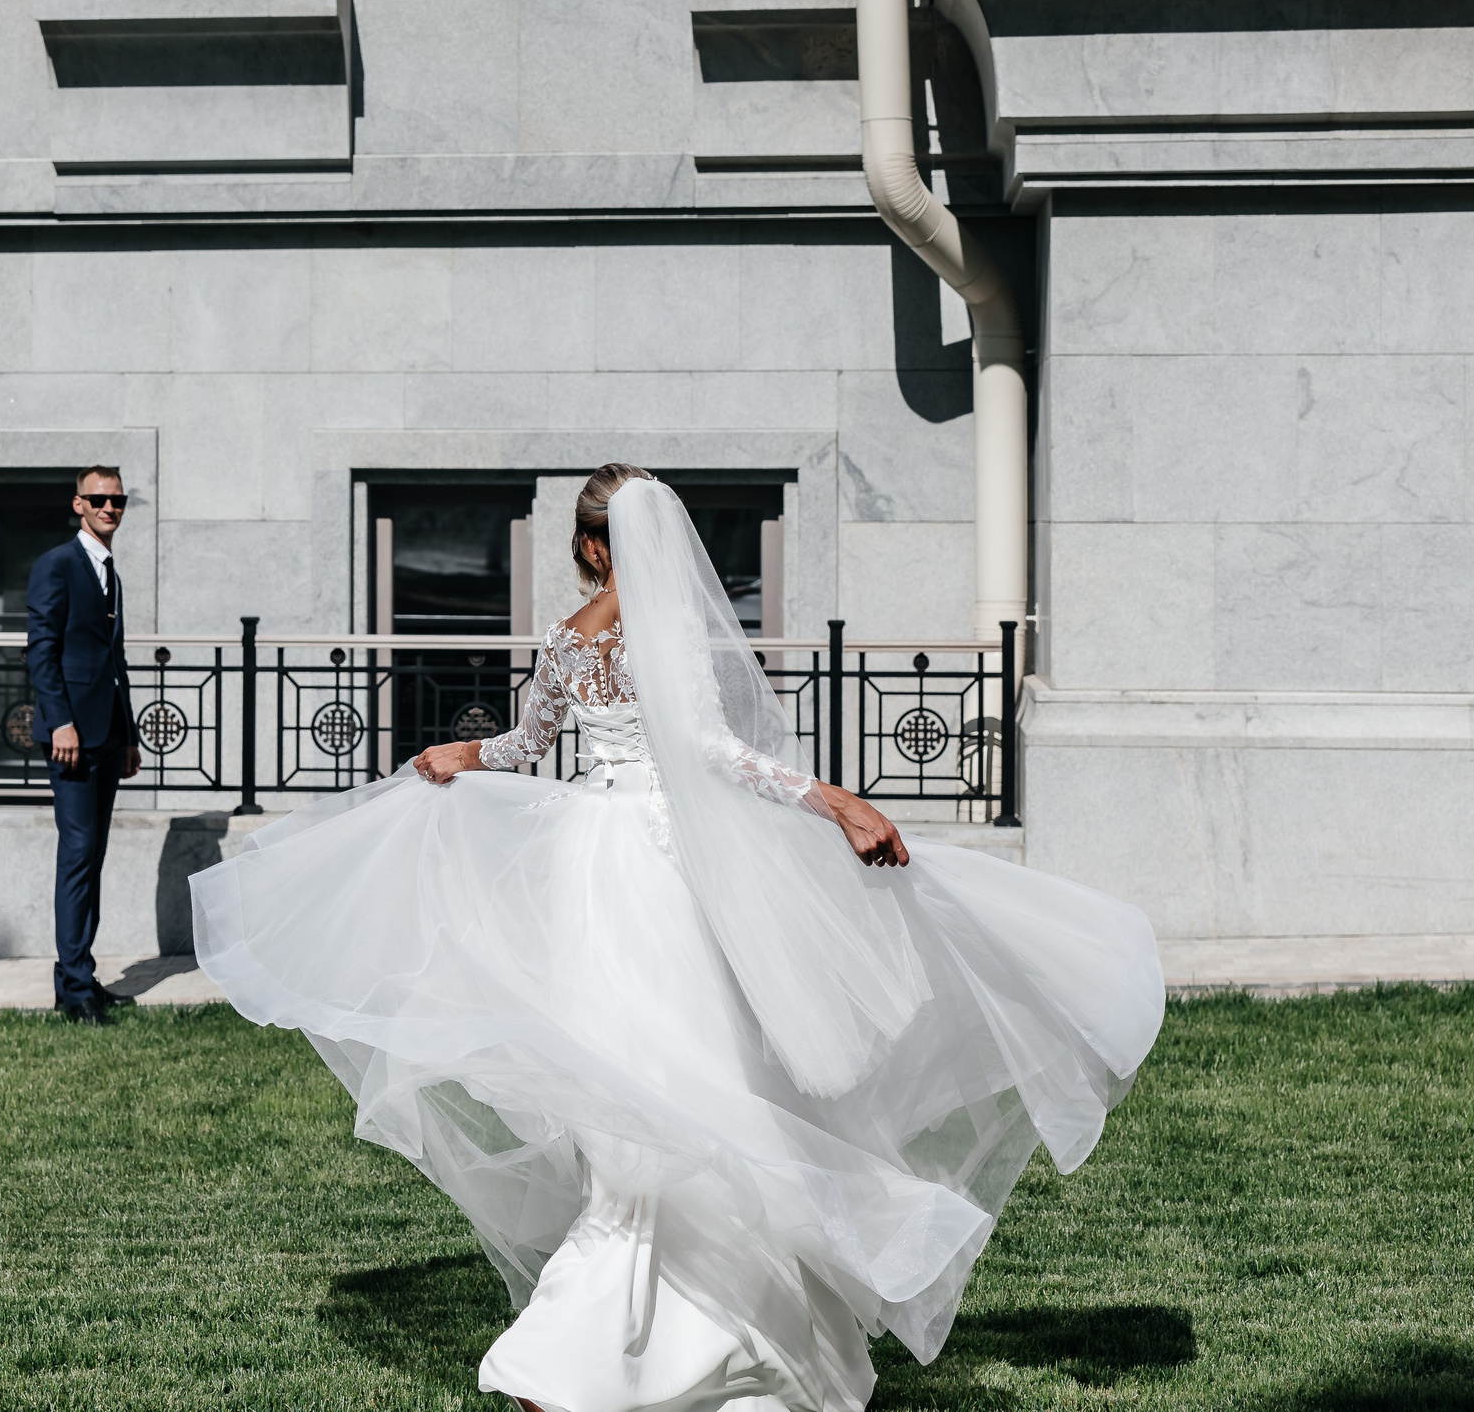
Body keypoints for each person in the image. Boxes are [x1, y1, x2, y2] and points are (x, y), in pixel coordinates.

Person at [192, 465, 1164, 1412]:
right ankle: (676, 1351)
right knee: (693, 1099)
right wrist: (832, 800)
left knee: (632, 1115)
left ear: (584, 545)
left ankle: (629, 1354)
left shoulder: (568, 637)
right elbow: (712, 753)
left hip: (591, 870)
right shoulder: (672, 635)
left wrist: (462, 754)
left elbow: (528, 746)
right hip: (661, 874)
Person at [25, 466, 142, 1024]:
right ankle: (74, 990)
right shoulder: (57, 565)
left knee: (91, 858)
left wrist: (130, 735)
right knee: (77, 857)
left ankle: (79, 977)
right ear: (79, 504)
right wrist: (61, 723)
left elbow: (112, 662)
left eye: (117, 499)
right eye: (99, 499)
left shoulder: (109, 571)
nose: (110, 507)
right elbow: (41, 653)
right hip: (71, 738)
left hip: (107, 735)